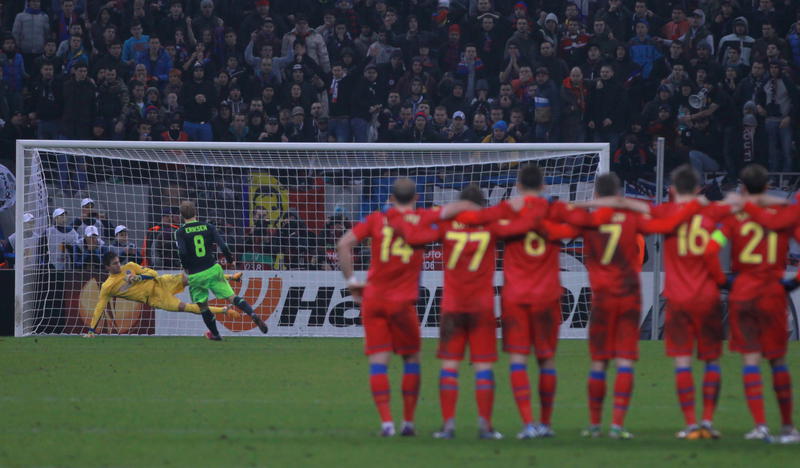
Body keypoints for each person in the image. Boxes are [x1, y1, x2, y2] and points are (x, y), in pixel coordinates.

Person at [563, 173, 702, 439]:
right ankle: (617, 425)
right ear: (619, 194)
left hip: (602, 298)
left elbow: (560, 213)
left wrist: (582, 205)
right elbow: (659, 215)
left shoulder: (589, 221)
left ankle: (594, 425)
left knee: (599, 363)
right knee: (625, 362)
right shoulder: (632, 219)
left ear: (596, 195)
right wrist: (627, 205)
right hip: (628, 298)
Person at [392, 185, 504, 440]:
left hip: (452, 306)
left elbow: (413, 234)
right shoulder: (492, 224)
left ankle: (449, 426)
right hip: (483, 306)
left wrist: (441, 212)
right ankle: (485, 426)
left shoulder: (447, 225)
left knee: (450, 366)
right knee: (484, 367)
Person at [335, 178, 438, 437]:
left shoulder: (376, 219)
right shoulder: (422, 219)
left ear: (390, 198)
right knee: (411, 358)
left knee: (379, 360)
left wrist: (351, 282)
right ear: (416, 199)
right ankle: (408, 423)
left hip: (374, 299)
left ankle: (386, 423)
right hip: (403, 302)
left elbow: (343, 244)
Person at [710, 164, 800, 443]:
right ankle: (787, 428)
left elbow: (709, 247)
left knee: (750, 358)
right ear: (769, 186)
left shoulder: (735, 217)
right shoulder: (785, 215)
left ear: (744, 188)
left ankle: (760, 425)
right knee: (777, 360)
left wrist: (722, 281)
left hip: (743, 292)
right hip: (772, 292)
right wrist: (794, 281)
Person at [651, 165, 728, 439]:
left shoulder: (665, 213)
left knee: (683, 362)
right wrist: (717, 238)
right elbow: (732, 215)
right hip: (707, 296)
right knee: (711, 361)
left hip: (678, 298)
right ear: (698, 188)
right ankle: (707, 421)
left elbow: (636, 212)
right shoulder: (710, 213)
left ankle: (690, 424)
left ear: (672, 189)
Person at [84, 251, 240, 337]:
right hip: (155, 298)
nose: (118, 265)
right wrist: (92, 330)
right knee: (189, 307)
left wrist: (139, 277)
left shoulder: (130, 266)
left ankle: (230, 277)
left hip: (160, 282)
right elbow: (100, 307)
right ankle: (224, 310)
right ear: (107, 268)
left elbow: (152, 273)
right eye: (115, 264)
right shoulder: (108, 287)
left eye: (118, 261)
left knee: (193, 278)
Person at [174, 200, 267, 340]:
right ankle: (252, 314)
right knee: (232, 297)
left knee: (203, 306)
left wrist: (186, 266)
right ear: (196, 212)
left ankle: (216, 334)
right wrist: (230, 260)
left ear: (182, 215)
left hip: (196, 274)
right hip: (212, 268)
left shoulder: (180, 232)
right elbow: (222, 245)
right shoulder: (208, 227)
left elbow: (182, 252)